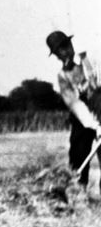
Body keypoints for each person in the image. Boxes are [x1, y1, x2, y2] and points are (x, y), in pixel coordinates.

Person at [46, 30, 101, 188]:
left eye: (61, 51)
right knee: (78, 154)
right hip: (83, 116)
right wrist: (95, 125)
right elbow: (74, 104)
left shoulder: (91, 58)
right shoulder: (63, 76)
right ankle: (77, 193)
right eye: (57, 54)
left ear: (68, 46)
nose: (60, 56)